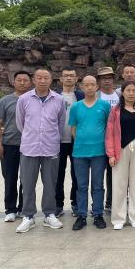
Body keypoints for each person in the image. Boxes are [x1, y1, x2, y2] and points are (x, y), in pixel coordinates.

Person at [14, 69, 66, 233]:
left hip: (50, 148)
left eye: (46, 78)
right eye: (39, 78)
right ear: (34, 80)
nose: (42, 81)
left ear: (51, 80)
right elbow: (20, 123)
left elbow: (60, 123)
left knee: (50, 183)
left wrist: (51, 137)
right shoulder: (24, 99)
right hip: (30, 147)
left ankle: (49, 214)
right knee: (28, 184)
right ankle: (28, 216)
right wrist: (32, 135)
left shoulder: (59, 100)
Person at [105, 81, 135, 230]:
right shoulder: (115, 110)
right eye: (128, 90)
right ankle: (118, 218)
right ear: (122, 92)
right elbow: (109, 133)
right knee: (119, 184)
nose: (131, 93)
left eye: (133, 90)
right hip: (120, 149)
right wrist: (111, 154)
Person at [69, 76, 111, 230]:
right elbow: (73, 128)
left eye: (92, 84)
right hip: (80, 152)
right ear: (81, 87)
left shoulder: (104, 105)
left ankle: (98, 214)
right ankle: (81, 216)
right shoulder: (76, 107)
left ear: (97, 86)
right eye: (86, 85)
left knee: (98, 185)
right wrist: (81, 141)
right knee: (81, 185)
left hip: (99, 152)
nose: (89, 87)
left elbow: (109, 127)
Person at [0, 70, 32, 222]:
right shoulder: (5, 100)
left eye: (25, 80)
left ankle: (23, 208)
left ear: (30, 82)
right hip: (9, 144)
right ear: (13, 82)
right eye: (19, 80)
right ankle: (10, 209)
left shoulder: (34, 99)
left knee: (27, 179)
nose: (22, 83)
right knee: (9, 177)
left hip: (29, 145)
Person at [56, 68, 84, 217]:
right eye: (65, 76)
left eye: (71, 76)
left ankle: (76, 204)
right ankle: (57, 205)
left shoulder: (81, 96)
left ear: (76, 79)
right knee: (57, 175)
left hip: (76, 141)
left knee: (77, 175)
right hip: (58, 141)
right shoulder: (54, 96)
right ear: (61, 79)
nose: (68, 78)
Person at [98, 66, 120, 211]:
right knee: (99, 174)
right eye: (103, 78)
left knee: (115, 173)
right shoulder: (95, 96)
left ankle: (111, 201)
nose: (107, 81)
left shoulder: (120, 95)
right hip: (100, 141)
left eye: (109, 78)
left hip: (117, 141)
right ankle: (98, 204)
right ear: (99, 81)